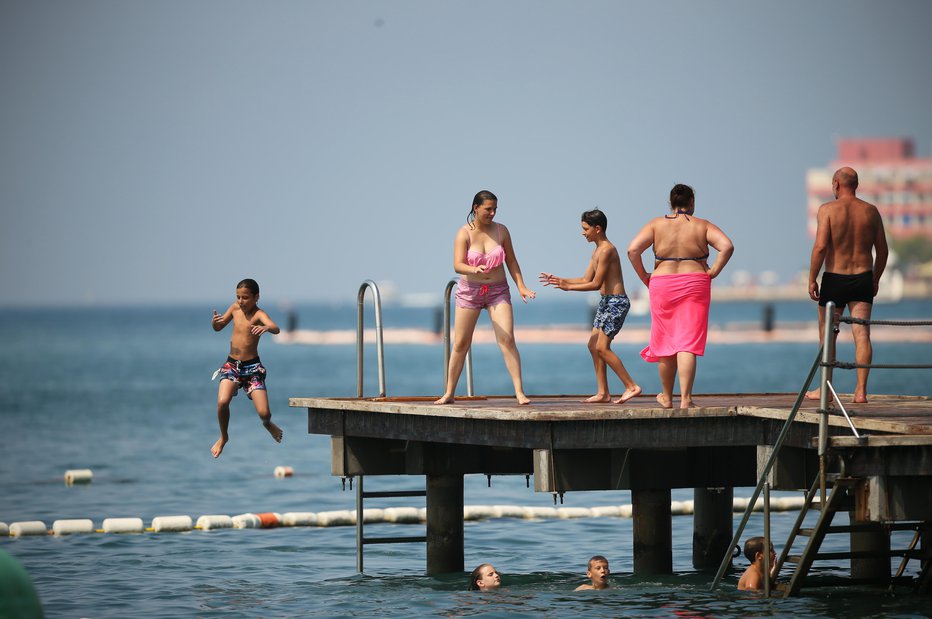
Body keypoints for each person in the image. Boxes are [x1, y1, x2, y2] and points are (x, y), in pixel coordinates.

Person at [627, 184, 734, 410]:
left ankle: (666, 397)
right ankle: (686, 399)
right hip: (695, 282)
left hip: (662, 283)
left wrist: (644, 275)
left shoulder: (656, 224)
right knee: (688, 342)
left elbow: (632, 250)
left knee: (665, 341)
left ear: (671, 202)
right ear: (692, 202)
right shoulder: (702, 225)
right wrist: (713, 270)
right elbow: (727, 246)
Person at [435, 190, 536, 405]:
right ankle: (449, 392)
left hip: (498, 290)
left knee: (507, 339)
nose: (492, 213)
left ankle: (519, 392)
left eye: (495, 209)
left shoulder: (501, 231)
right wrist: (474, 269)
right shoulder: (464, 233)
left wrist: (522, 286)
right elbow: (457, 264)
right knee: (461, 343)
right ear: (476, 208)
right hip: (470, 291)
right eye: (488, 209)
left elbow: (512, 262)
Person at [539, 209, 642, 404]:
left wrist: (568, 288)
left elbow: (595, 283)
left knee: (602, 347)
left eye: (585, 229)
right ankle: (603, 393)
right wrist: (561, 280)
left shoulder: (607, 250)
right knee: (593, 345)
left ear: (597, 229)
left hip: (616, 302)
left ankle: (631, 386)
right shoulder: (596, 250)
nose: (582, 232)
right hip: (605, 302)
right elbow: (586, 278)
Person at [806, 166, 888, 404]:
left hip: (835, 278)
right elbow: (882, 250)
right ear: (856, 185)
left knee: (827, 336)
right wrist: (875, 278)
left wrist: (812, 277)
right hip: (862, 277)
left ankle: (826, 389)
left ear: (835, 184)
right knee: (862, 334)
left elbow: (820, 247)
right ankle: (861, 391)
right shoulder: (870, 211)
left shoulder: (827, 210)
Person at [210, 278, 284, 457]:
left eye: (245, 297)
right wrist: (214, 323)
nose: (241, 301)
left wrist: (266, 327)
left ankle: (268, 424)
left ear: (256, 297)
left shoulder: (259, 315)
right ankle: (224, 437)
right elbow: (219, 327)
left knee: (264, 413)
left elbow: (276, 328)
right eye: (238, 297)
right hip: (232, 365)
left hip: (252, 368)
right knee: (222, 402)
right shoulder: (235, 308)